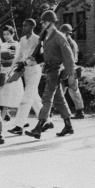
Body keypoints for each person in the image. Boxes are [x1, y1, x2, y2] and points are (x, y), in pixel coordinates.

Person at [24, 10, 76, 139]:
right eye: (42, 22)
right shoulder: (46, 36)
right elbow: (45, 55)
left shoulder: (59, 37)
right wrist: (32, 61)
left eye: (45, 22)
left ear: (52, 23)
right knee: (59, 99)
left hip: (55, 71)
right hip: (48, 70)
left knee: (47, 98)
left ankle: (39, 126)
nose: (42, 24)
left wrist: (71, 74)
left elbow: (68, 57)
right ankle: (68, 125)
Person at [7, 19, 53, 135]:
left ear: (32, 26)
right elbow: (20, 55)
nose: (24, 27)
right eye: (23, 25)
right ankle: (47, 121)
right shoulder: (22, 40)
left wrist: (26, 62)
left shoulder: (37, 39)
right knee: (34, 97)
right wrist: (11, 68)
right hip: (25, 71)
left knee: (26, 98)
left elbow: (38, 57)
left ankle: (19, 126)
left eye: (26, 25)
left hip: (34, 70)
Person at [0, 26, 24, 119]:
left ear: (13, 34)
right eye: (4, 34)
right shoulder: (3, 45)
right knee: (3, 97)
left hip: (12, 71)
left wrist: (6, 61)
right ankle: (3, 118)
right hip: (3, 71)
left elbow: (15, 59)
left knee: (15, 96)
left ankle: (22, 120)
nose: (6, 36)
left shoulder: (16, 44)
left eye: (8, 34)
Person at [59, 23, 85, 119]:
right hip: (63, 70)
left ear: (67, 33)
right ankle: (52, 111)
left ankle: (80, 111)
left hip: (71, 69)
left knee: (73, 91)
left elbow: (73, 60)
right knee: (59, 91)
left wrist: (71, 74)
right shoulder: (64, 42)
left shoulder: (72, 44)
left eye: (62, 32)